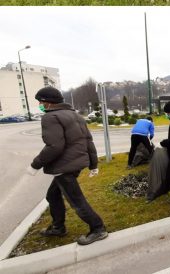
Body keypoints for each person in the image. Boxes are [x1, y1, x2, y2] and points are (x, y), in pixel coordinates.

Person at [28, 87, 107, 245]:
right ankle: (58, 227)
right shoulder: (75, 115)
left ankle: (98, 229)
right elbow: (88, 141)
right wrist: (93, 164)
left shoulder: (51, 117)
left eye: (41, 101)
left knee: (76, 201)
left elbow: (54, 146)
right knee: (52, 195)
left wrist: (35, 164)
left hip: (64, 166)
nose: (39, 104)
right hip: (74, 164)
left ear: (48, 103)